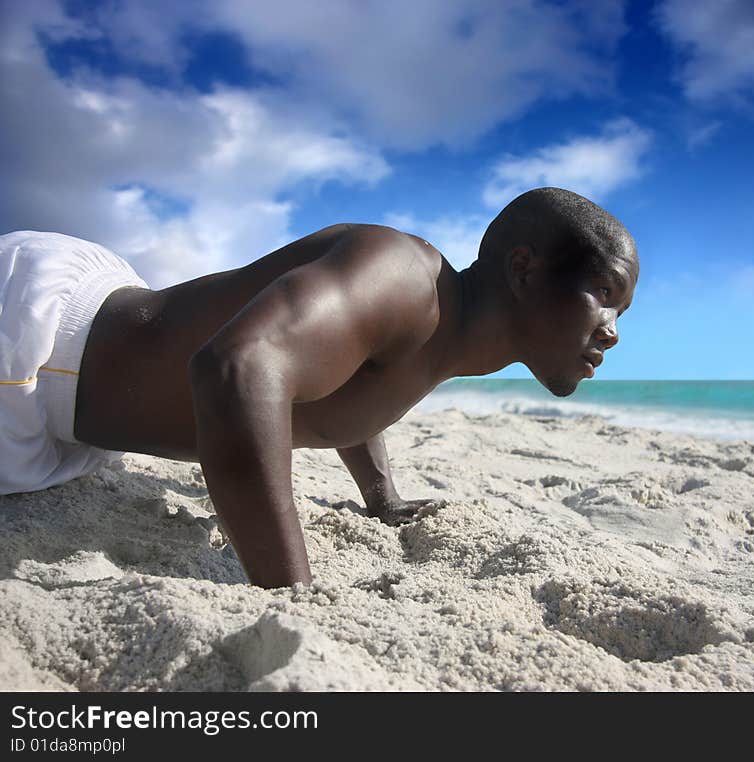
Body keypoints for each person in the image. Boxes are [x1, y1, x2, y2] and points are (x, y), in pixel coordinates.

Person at [0, 187, 638, 588]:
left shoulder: (436, 334)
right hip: (35, 349)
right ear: (524, 270)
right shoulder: (403, 275)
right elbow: (236, 369)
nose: (611, 331)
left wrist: (381, 497)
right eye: (604, 295)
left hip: (67, 427)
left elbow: (343, 374)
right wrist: (291, 591)